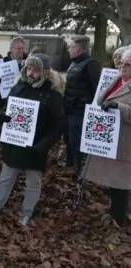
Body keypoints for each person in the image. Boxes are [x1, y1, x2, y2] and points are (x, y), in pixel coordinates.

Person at [0, 55, 65, 226]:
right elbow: (6, 108)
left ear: (45, 72)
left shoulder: (52, 97)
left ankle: (26, 213)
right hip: (14, 144)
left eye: (35, 70)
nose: (30, 73)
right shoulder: (18, 88)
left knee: (33, 183)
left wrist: (43, 145)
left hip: (35, 148)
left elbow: (59, 126)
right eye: (28, 68)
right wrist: (2, 117)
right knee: (6, 178)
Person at [83, 49, 131, 227]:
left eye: (128, 64)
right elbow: (99, 100)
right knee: (113, 180)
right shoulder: (117, 79)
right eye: (121, 63)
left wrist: (118, 106)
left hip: (125, 142)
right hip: (110, 139)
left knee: (122, 182)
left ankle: (120, 218)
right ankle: (114, 212)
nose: (122, 67)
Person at [63, 36, 101, 179]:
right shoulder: (74, 64)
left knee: (78, 143)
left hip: (81, 113)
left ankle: (81, 173)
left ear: (78, 49)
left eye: (70, 47)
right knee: (70, 141)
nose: (68, 50)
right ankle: (71, 166)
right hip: (70, 110)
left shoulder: (91, 64)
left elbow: (97, 89)